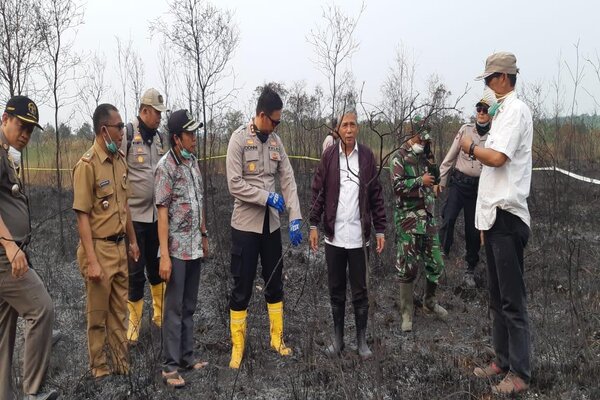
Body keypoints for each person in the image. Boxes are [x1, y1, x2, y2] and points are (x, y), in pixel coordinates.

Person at [460, 52, 533, 395]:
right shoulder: (503, 111)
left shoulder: (516, 111)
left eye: (490, 79)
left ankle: (519, 372)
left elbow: (498, 158)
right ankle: (502, 361)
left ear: (504, 77)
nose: (488, 85)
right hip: (493, 217)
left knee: (512, 300)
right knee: (497, 295)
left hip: (507, 215)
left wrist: (471, 147)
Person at [225, 85, 302, 369]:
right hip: (245, 226)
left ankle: (276, 339)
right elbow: (234, 183)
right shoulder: (237, 140)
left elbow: (289, 179)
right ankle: (237, 348)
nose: (277, 126)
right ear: (261, 115)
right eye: (275, 121)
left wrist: (295, 216)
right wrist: (265, 196)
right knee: (242, 286)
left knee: (274, 284)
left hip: (270, 227)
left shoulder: (275, 143)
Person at [309, 110, 386, 359]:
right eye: (345, 125)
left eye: (353, 125)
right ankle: (338, 339)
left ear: (358, 128)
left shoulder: (366, 157)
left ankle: (361, 340)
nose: (349, 129)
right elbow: (318, 191)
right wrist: (313, 224)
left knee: (360, 289)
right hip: (334, 236)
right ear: (338, 130)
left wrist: (380, 229)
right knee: (336, 289)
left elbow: (375, 193)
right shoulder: (329, 157)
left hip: (358, 236)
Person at [73, 103, 140, 379]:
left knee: (119, 314)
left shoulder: (120, 162)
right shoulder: (87, 165)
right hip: (98, 249)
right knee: (97, 316)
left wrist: (133, 241)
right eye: (119, 127)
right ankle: (99, 370)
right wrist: (91, 260)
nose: (123, 132)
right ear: (104, 130)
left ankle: (121, 365)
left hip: (120, 247)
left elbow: (125, 209)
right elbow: (82, 217)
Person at [0, 96, 58, 400]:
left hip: (10, 253)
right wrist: (10, 246)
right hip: (4, 257)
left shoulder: (8, 154)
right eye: (22, 126)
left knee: (4, 334)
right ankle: (32, 393)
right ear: (5, 119)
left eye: (31, 130)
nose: (26, 134)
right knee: (41, 309)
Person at [155, 109, 208, 387]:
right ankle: (170, 367)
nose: (194, 138)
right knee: (173, 309)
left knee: (189, 305)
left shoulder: (192, 162)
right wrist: (164, 254)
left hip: (194, 248)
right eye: (189, 134)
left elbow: (199, 201)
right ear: (177, 138)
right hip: (175, 251)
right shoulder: (166, 167)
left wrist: (205, 234)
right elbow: (162, 213)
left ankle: (187, 356)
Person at [390, 117, 448, 333]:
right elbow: (396, 186)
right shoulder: (399, 157)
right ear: (410, 135)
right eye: (419, 139)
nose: (422, 143)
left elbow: (436, 178)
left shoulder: (425, 155)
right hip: (408, 220)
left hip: (428, 219)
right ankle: (406, 312)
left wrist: (431, 159)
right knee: (408, 267)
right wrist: (418, 181)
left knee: (436, 263)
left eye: (425, 140)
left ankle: (430, 302)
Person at [120, 88, 167, 344]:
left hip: (157, 217)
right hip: (135, 218)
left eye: (161, 113)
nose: (159, 117)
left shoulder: (160, 138)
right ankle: (134, 326)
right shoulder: (127, 134)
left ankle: (159, 316)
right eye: (156, 112)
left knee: (157, 269)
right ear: (144, 111)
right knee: (135, 272)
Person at [437, 100, 491, 287]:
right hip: (459, 184)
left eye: (485, 110)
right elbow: (450, 156)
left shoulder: (495, 135)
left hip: (478, 190)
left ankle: (470, 268)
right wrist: (441, 181)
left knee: (473, 230)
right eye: (479, 109)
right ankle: (439, 258)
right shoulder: (466, 130)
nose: (481, 113)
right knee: (448, 218)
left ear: (491, 113)